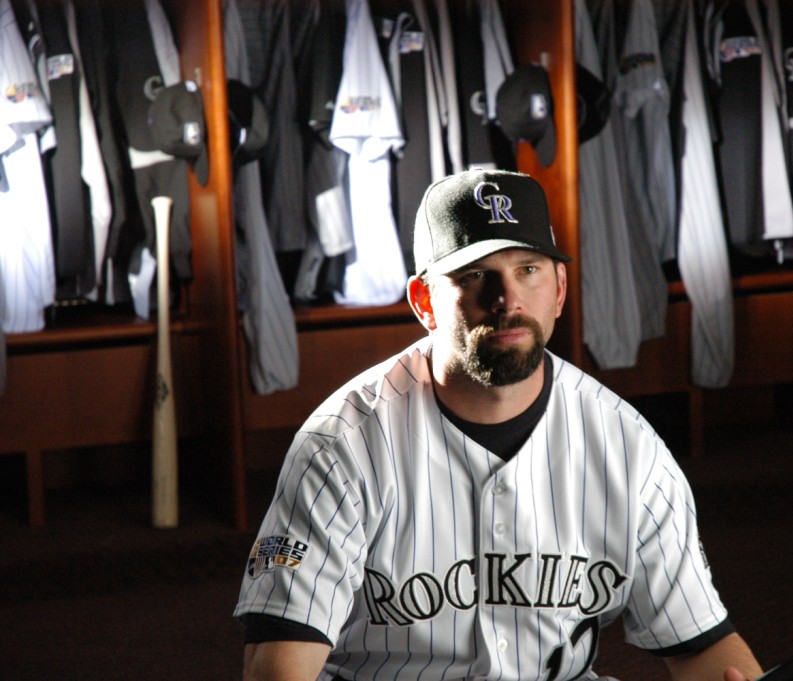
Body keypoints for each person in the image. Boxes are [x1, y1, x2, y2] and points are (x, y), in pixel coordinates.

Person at [234, 169, 763, 681]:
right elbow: (278, 666)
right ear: (424, 303)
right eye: (475, 275)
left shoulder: (630, 446)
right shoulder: (341, 446)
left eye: (527, 270)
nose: (506, 300)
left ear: (558, 288)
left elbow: (700, 643)